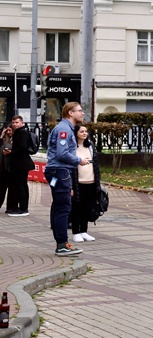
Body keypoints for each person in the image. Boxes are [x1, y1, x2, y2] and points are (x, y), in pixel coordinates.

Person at [46, 101, 87, 257]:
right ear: (70, 113)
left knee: (59, 206)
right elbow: (62, 154)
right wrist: (79, 160)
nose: (82, 113)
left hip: (57, 172)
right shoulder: (65, 129)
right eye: (79, 111)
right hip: (60, 172)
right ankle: (62, 245)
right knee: (63, 208)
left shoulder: (65, 128)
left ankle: (61, 243)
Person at [68, 125, 103, 244]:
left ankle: (84, 230)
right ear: (76, 133)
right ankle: (76, 232)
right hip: (78, 183)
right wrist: (71, 185)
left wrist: (98, 181)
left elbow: (96, 164)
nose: (84, 133)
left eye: (86, 131)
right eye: (81, 131)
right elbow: (71, 165)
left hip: (91, 181)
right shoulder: (72, 147)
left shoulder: (90, 146)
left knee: (88, 207)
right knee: (77, 207)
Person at [3, 115, 37, 216]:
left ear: (22, 123)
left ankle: (23, 208)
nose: (14, 124)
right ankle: (23, 207)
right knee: (22, 185)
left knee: (21, 186)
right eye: (13, 123)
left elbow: (22, 147)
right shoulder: (19, 132)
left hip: (21, 164)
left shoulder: (22, 132)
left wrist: (10, 152)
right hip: (21, 164)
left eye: (17, 122)